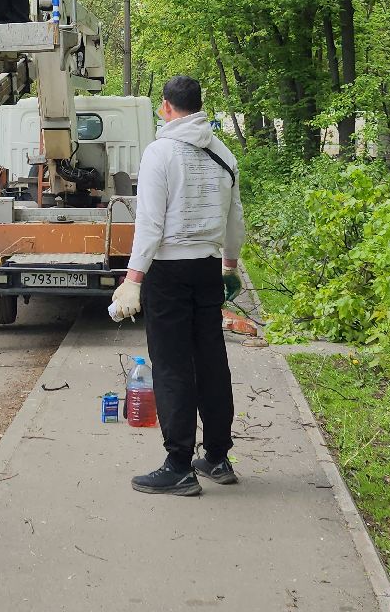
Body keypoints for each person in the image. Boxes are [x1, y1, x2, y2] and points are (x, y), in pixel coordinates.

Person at [110, 75, 245, 496]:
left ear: (166, 107)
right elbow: (235, 219)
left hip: (168, 273)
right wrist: (229, 265)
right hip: (207, 269)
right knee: (210, 361)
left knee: (170, 366)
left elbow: (149, 223)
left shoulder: (160, 152)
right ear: (199, 105)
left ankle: (178, 465)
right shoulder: (223, 154)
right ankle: (218, 457)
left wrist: (133, 279)